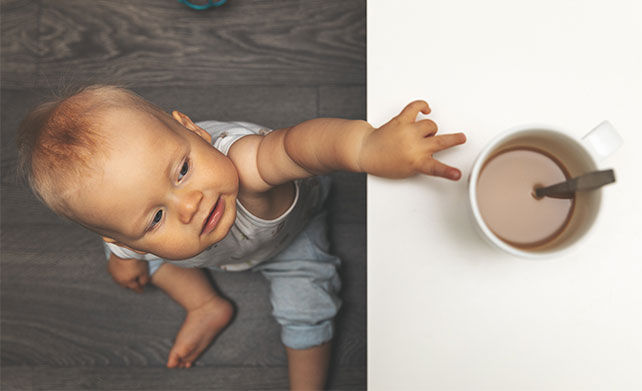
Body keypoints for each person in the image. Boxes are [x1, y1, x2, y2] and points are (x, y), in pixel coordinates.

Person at [16, 85, 466, 390]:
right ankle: (206, 305)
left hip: (291, 236)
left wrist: (364, 148)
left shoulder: (246, 166)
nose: (189, 205)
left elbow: (297, 146)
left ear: (193, 130)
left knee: (307, 307)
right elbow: (116, 233)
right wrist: (123, 256)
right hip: (204, 250)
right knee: (144, 258)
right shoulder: (125, 228)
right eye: (156, 216)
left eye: (184, 170)